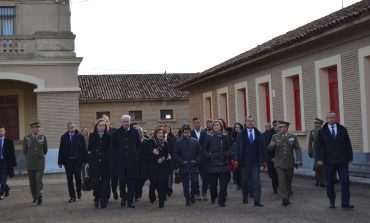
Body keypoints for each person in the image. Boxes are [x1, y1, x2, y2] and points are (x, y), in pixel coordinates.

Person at [316, 112, 354, 209]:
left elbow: (348, 144)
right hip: (329, 161)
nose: (331, 119)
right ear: (326, 119)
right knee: (330, 182)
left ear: (336, 118)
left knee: (345, 182)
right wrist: (319, 158)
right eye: (329, 117)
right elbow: (318, 147)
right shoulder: (322, 131)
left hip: (342, 161)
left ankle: (345, 203)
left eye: (333, 117)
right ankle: (332, 201)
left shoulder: (342, 129)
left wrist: (350, 157)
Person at [235, 116, 267, 207]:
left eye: (252, 121)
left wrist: (264, 160)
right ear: (245, 123)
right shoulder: (241, 134)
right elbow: (237, 148)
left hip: (255, 163)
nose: (250, 123)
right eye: (248, 121)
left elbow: (263, 149)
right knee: (244, 181)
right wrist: (236, 159)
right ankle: (245, 197)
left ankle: (257, 200)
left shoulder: (259, 134)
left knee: (256, 181)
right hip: (244, 162)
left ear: (254, 122)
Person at [268, 121, 302, 207]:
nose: (280, 128)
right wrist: (271, 145)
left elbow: (297, 149)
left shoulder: (293, 137)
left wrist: (298, 159)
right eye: (279, 127)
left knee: (288, 181)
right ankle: (284, 198)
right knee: (281, 180)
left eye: (282, 127)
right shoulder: (275, 137)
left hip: (289, 162)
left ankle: (287, 196)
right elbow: (270, 149)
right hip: (279, 163)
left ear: (287, 128)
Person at [112, 115, 141, 208]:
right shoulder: (116, 133)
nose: (126, 123)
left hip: (132, 162)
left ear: (130, 122)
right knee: (122, 183)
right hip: (120, 162)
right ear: (121, 122)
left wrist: (134, 154)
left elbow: (139, 146)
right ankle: (123, 197)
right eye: (124, 121)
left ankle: (130, 201)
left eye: (127, 121)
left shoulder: (135, 132)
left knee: (131, 183)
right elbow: (114, 147)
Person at [203, 120, 231, 207]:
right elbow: (204, 149)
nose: (215, 126)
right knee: (213, 184)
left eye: (217, 125)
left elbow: (229, 148)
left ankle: (221, 201)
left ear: (221, 126)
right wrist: (208, 156)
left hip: (223, 164)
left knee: (223, 185)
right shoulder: (208, 136)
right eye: (214, 125)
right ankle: (213, 196)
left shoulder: (225, 136)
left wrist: (227, 154)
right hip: (212, 164)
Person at [174, 124, 202, 206]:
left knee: (195, 181)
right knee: (185, 184)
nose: (187, 134)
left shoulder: (195, 141)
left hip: (193, 165)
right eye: (185, 132)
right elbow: (175, 154)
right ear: (182, 133)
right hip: (184, 166)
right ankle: (187, 198)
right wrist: (181, 161)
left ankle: (193, 194)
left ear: (190, 132)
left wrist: (196, 160)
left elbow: (200, 153)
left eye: (188, 132)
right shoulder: (178, 142)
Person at [58, 122, 86, 202]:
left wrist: (85, 160)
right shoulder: (64, 137)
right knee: (69, 179)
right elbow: (61, 150)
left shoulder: (80, 136)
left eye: (73, 127)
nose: (72, 129)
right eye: (70, 128)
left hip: (77, 161)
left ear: (75, 128)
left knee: (78, 178)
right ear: (67, 128)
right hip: (68, 162)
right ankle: (72, 196)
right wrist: (60, 161)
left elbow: (84, 149)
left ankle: (79, 191)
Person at [144, 127, 171, 208]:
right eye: (159, 133)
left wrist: (163, 158)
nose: (160, 134)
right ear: (156, 134)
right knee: (154, 184)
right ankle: (152, 195)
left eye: (162, 133)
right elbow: (145, 153)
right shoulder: (151, 142)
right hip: (153, 167)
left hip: (163, 167)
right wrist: (152, 151)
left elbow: (167, 154)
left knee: (162, 185)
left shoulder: (165, 143)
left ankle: (161, 201)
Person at [87, 118, 111, 208]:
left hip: (105, 162)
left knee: (105, 182)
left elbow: (110, 149)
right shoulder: (92, 136)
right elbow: (89, 149)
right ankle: (97, 197)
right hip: (95, 161)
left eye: (103, 125)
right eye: (100, 125)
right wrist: (88, 161)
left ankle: (103, 200)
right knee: (96, 182)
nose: (102, 127)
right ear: (97, 126)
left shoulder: (108, 136)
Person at [23, 122, 48, 205]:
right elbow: (25, 151)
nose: (37, 129)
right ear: (31, 129)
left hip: (40, 163)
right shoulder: (26, 138)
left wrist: (40, 156)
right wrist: (30, 158)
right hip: (30, 163)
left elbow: (45, 150)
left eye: (38, 127)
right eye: (35, 127)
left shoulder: (43, 138)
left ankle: (39, 195)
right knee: (32, 181)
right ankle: (35, 196)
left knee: (38, 179)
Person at [191, 117, 208, 201]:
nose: (197, 124)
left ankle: (204, 192)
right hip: (194, 158)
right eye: (195, 123)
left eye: (198, 122)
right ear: (193, 124)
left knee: (205, 177)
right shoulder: (190, 133)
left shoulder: (205, 133)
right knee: (195, 178)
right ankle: (197, 193)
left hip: (204, 159)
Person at [102, 114, 118, 201]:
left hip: (114, 160)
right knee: (106, 179)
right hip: (104, 161)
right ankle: (107, 195)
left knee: (114, 179)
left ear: (109, 122)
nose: (105, 123)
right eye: (103, 121)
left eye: (106, 121)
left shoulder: (114, 131)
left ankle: (114, 190)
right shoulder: (100, 132)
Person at [308, 118, 326, 187]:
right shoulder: (312, 132)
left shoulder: (324, 131)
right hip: (315, 151)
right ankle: (317, 179)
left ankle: (322, 181)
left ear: (320, 124)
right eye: (315, 123)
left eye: (317, 123)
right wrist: (309, 151)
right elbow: (310, 142)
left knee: (322, 166)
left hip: (323, 151)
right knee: (317, 166)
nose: (315, 124)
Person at [0, 126, 17, 200]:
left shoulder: (9, 141)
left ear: (5, 131)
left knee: (3, 178)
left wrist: (14, 163)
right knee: (0, 178)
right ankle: (6, 188)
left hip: (5, 162)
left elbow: (12, 152)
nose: (0, 132)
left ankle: (1, 193)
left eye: (2, 130)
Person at [135, 127, 149, 201]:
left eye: (139, 132)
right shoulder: (133, 141)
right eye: (137, 132)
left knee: (142, 179)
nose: (138, 134)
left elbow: (148, 153)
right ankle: (137, 194)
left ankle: (139, 190)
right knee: (136, 180)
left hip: (143, 164)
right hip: (135, 164)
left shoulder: (146, 141)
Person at [266, 120, 279, 194]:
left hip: (281, 157)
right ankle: (275, 188)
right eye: (276, 125)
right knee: (274, 174)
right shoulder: (271, 134)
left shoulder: (283, 134)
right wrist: (271, 157)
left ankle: (286, 188)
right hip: (273, 157)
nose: (278, 127)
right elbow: (268, 147)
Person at [164, 124, 177, 197]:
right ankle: (165, 188)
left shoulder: (172, 138)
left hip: (170, 159)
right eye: (165, 129)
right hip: (163, 159)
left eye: (168, 129)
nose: (166, 131)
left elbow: (174, 149)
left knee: (170, 175)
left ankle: (169, 188)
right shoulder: (161, 137)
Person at [230, 122, 243, 190]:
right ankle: (238, 183)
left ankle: (242, 183)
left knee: (242, 170)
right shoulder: (232, 135)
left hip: (241, 155)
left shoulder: (243, 135)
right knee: (236, 170)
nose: (237, 129)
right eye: (236, 127)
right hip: (234, 154)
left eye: (238, 127)